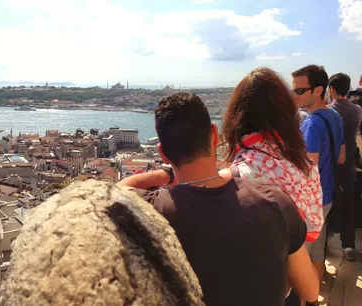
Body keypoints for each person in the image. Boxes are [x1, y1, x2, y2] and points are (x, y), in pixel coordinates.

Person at [118, 92, 319, 305]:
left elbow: (117, 190)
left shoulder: (152, 212)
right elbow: (310, 291)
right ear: (215, 135)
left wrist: (166, 175)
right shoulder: (274, 201)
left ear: (163, 153)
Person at [293, 65, 345, 275]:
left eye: (299, 90)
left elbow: (307, 168)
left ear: (318, 90)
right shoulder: (334, 116)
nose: (294, 95)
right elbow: (341, 157)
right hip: (328, 196)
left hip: (311, 201)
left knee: (300, 258)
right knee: (317, 252)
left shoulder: (312, 124)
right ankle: (315, 295)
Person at [328, 73, 361, 261]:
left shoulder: (329, 111)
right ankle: (348, 246)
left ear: (331, 89)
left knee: (330, 204)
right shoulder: (357, 111)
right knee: (349, 205)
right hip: (349, 165)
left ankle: (326, 241)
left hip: (332, 166)